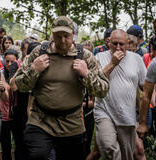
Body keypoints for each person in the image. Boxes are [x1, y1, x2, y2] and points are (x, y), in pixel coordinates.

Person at [14, 16, 109, 160]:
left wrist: (86, 74)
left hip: (72, 123)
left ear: (73, 35)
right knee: (37, 155)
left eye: (66, 36)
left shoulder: (84, 56)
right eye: (58, 36)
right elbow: (19, 85)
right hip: (41, 120)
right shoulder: (40, 52)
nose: (63, 40)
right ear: (52, 35)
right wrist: (35, 70)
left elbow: (103, 90)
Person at [94, 29, 146, 160]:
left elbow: (146, 86)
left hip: (127, 115)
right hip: (104, 110)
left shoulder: (136, 59)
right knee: (108, 146)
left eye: (121, 44)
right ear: (108, 42)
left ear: (128, 44)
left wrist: (144, 115)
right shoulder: (99, 57)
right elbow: (95, 82)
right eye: (114, 43)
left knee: (127, 155)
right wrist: (112, 64)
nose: (118, 47)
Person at [0, 48, 19, 160]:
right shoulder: (0, 74)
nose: (9, 64)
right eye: (7, 61)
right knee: (5, 144)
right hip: (4, 115)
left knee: (18, 143)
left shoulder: (20, 73)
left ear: (17, 60)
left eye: (12, 61)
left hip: (17, 114)